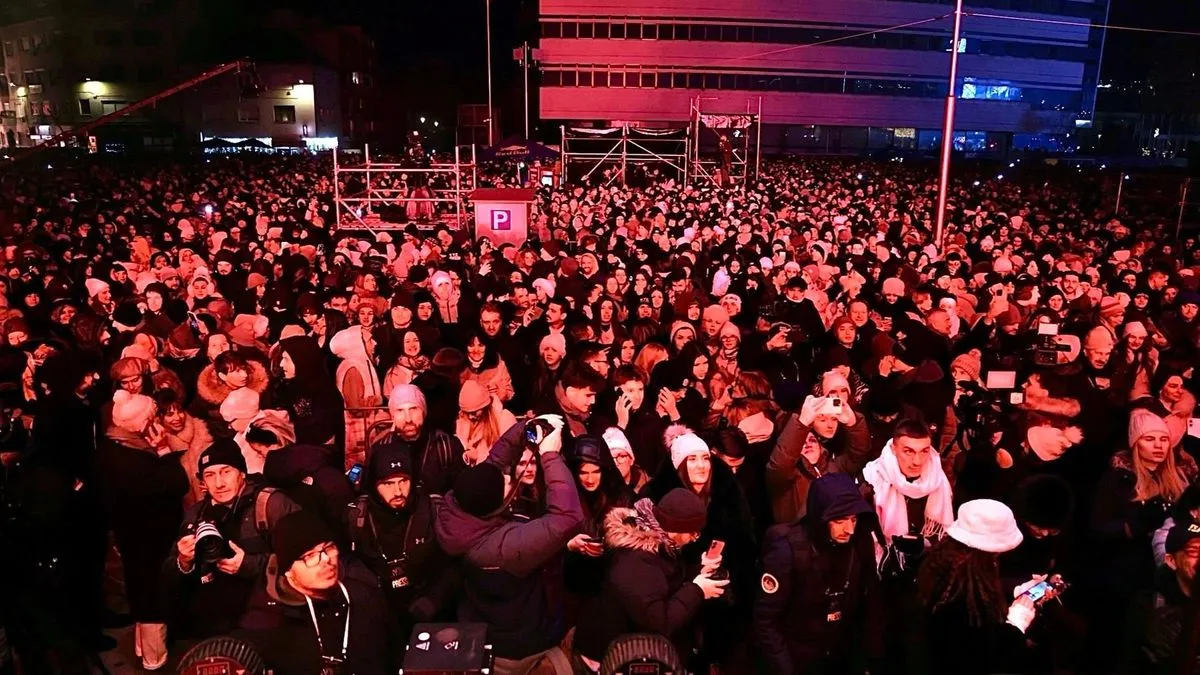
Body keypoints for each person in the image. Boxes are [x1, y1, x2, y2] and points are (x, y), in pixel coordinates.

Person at [433, 415, 584, 674]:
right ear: (494, 506)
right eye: (503, 483)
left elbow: (492, 466)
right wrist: (549, 456)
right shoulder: (503, 548)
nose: (507, 478)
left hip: (483, 625)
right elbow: (567, 518)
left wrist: (525, 428)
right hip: (519, 646)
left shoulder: (457, 510)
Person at [573, 489, 728, 671]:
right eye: (692, 533)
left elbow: (664, 581)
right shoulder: (636, 560)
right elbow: (660, 623)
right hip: (610, 659)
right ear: (673, 528)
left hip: (627, 646)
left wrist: (699, 571)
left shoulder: (654, 541)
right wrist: (698, 590)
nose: (694, 539)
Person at [238, 510, 403, 675]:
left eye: (328, 548)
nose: (326, 560)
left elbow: (397, 657)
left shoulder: (366, 597)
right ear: (288, 571)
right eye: (310, 556)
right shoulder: (266, 625)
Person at [94, 390, 190, 671]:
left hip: (130, 535)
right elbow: (178, 484)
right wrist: (163, 450)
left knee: (140, 590)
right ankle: (154, 659)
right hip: (150, 539)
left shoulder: (111, 448)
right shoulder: (137, 463)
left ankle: (141, 648)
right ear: (143, 423)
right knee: (153, 597)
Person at [164, 440, 299, 638]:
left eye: (226, 471)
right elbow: (168, 578)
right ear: (202, 482)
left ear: (242, 473)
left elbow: (305, 562)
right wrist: (183, 562)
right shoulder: (196, 515)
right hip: (210, 627)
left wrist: (248, 565)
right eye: (210, 475)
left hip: (264, 625)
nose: (219, 483)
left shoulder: (271, 505)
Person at [754, 473, 884, 675]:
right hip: (796, 655)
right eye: (840, 520)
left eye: (853, 519)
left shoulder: (859, 542)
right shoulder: (787, 550)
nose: (849, 529)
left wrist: (870, 657)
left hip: (842, 653)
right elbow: (766, 621)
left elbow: (870, 600)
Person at [346, 442, 456, 638]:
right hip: (379, 613)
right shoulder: (357, 517)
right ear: (374, 485)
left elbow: (452, 562)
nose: (397, 492)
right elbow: (349, 564)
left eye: (403, 481)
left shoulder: (432, 510)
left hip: (429, 612)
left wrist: (433, 600)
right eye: (388, 483)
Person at [916, 499, 1037, 675]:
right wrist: (1017, 624)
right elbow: (983, 658)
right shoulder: (963, 600)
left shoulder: (944, 563)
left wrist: (1013, 589)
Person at [372, 383, 465, 497]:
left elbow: (461, 491)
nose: (408, 419)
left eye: (413, 409)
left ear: (423, 412)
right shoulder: (381, 449)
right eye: (400, 410)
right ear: (392, 416)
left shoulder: (447, 445)